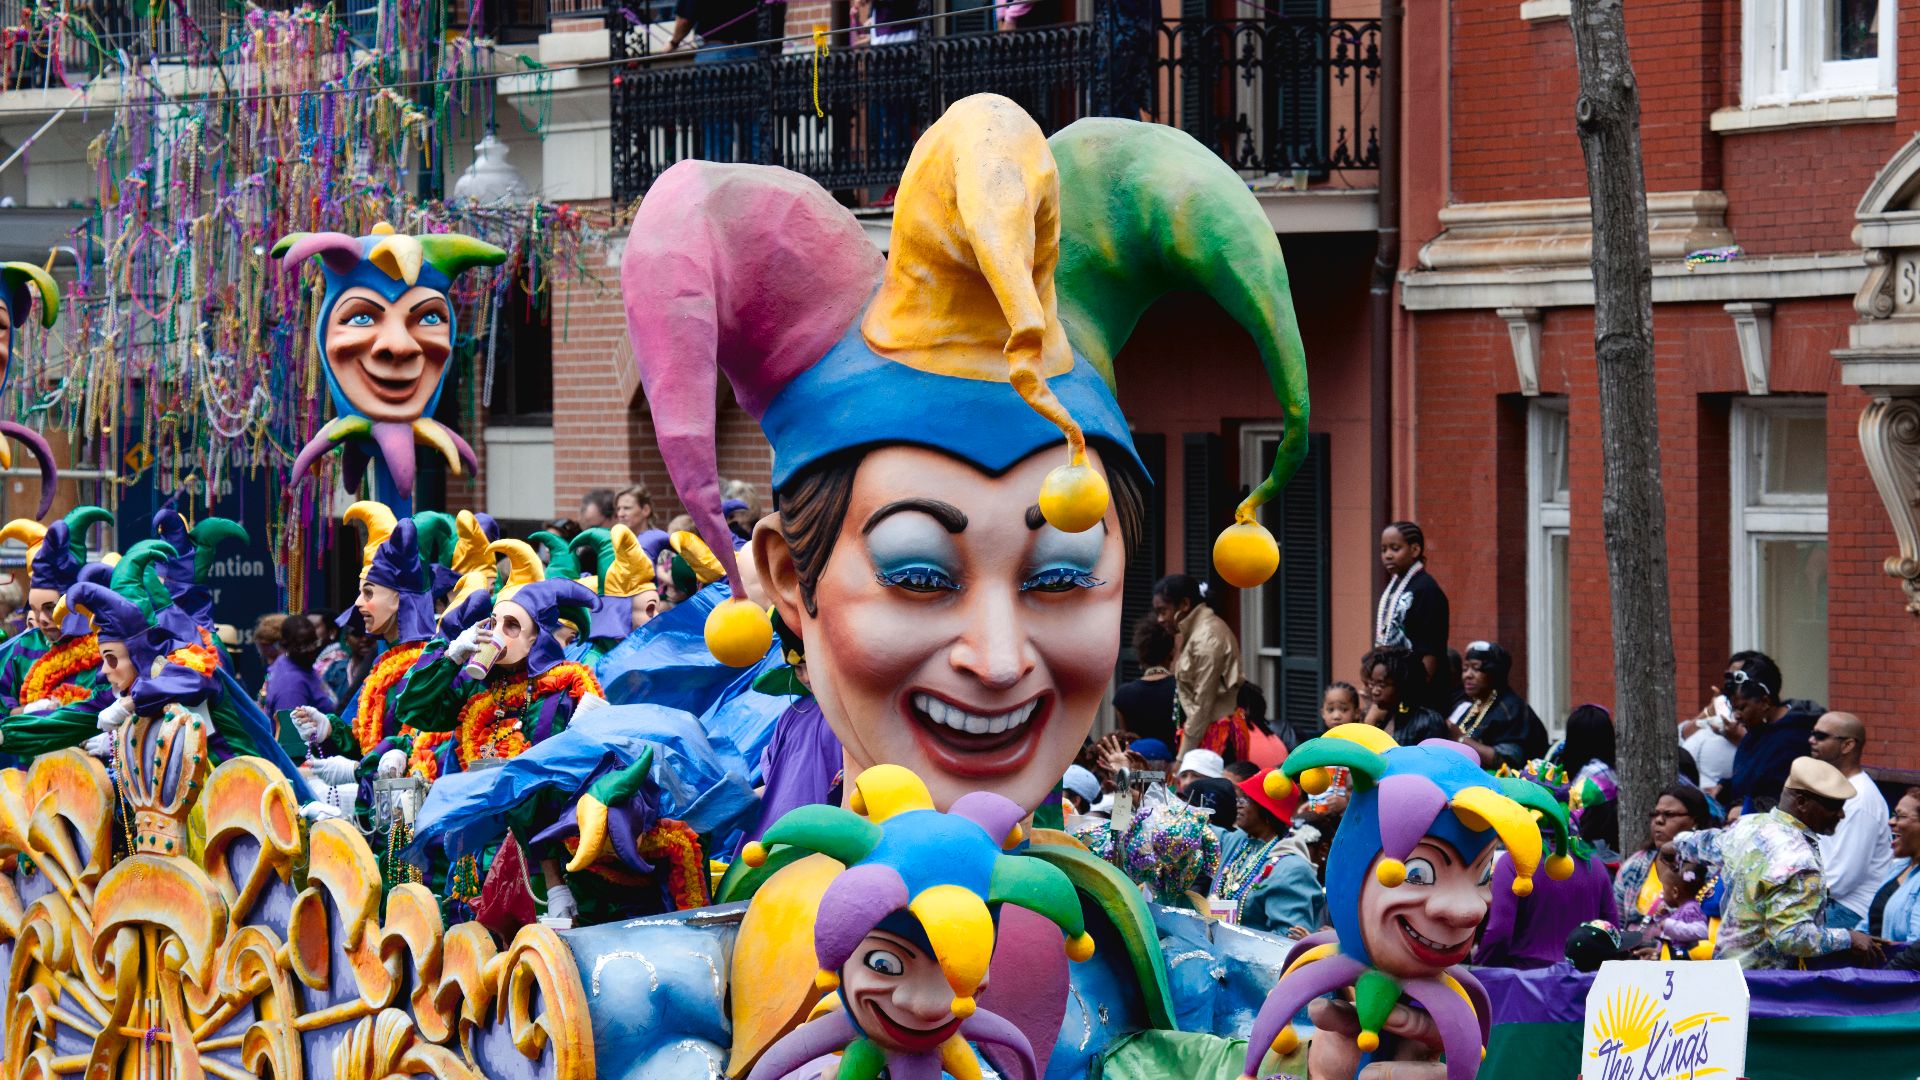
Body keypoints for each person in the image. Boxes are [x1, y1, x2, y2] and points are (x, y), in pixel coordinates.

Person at [1669, 756, 1882, 970]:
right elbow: (1791, 938)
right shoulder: (1800, 862)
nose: (1841, 814)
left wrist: (1671, 848)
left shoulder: (1747, 826)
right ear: (1801, 803)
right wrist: (1848, 938)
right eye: (1834, 806)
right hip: (1769, 988)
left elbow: (1694, 844)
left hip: (1727, 972)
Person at [1472, 780, 1616, 969]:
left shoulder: (1514, 862)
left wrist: (1480, 965)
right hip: (1584, 987)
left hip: (1525, 985)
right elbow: (1611, 931)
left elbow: (1500, 931)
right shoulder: (1595, 865)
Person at [1806, 711, 1894, 930]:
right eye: (1812, 733)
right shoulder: (1836, 788)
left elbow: (1841, 880)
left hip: (1848, 909)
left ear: (1847, 745)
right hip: (1826, 900)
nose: (1811, 740)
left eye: (1821, 736)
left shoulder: (1860, 799)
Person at [1214, 767, 1320, 935]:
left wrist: (1235, 947)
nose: (1238, 805)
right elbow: (1195, 828)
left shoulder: (1292, 869)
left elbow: (1287, 938)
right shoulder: (1238, 842)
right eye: (1239, 798)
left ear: (1267, 811)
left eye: (1247, 800)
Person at [1152, 574, 1242, 757]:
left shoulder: (1206, 638)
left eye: (1163, 611)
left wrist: (1182, 758)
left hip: (1216, 738)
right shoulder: (1197, 631)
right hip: (1202, 733)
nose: (1160, 619)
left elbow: (1202, 704)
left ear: (1184, 605)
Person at [1716, 654, 1819, 812]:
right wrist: (1724, 788)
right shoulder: (1758, 728)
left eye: (1742, 707)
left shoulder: (1793, 738)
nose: (1736, 715)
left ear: (1765, 702)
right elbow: (1750, 778)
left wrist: (1746, 808)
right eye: (1733, 708)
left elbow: (1783, 797)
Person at [1614, 783, 1714, 928]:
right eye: (1655, 814)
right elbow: (1617, 922)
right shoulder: (1635, 866)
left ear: (1695, 821)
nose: (1659, 820)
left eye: (1669, 814)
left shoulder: (1710, 870)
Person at [1445, 640, 1546, 769]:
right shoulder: (1472, 704)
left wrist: (1460, 739)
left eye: (1476, 669)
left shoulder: (1510, 710)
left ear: (1494, 673)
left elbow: (1506, 761)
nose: (1467, 675)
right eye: (1465, 669)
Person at [1373, 521, 1448, 684]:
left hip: (1416, 688)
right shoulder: (1395, 586)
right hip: (1392, 682)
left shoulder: (1426, 590)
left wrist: (1418, 689)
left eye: (1395, 548)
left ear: (1414, 550)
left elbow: (1431, 649)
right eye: (1383, 550)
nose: (1387, 555)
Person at [1869, 789, 1920, 968]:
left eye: (1900, 816)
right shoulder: (1899, 866)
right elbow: (1868, 926)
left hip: (1903, 988)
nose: (1891, 822)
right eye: (1893, 816)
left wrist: (1885, 977)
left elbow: (1916, 948)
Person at [1359, 646, 1447, 746]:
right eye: (1372, 684)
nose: (1375, 691)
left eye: (1382, 685)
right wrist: (1370, 723)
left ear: (1403, 685)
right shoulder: (1378, 717)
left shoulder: (1429, 721)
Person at [1112, 616, 1177, 745]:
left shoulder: (1123, 695)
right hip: (1177, 764)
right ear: (1170, 655)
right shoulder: (1181, 688)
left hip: (1138, 763)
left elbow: (1127, 742)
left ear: (1141, 657)